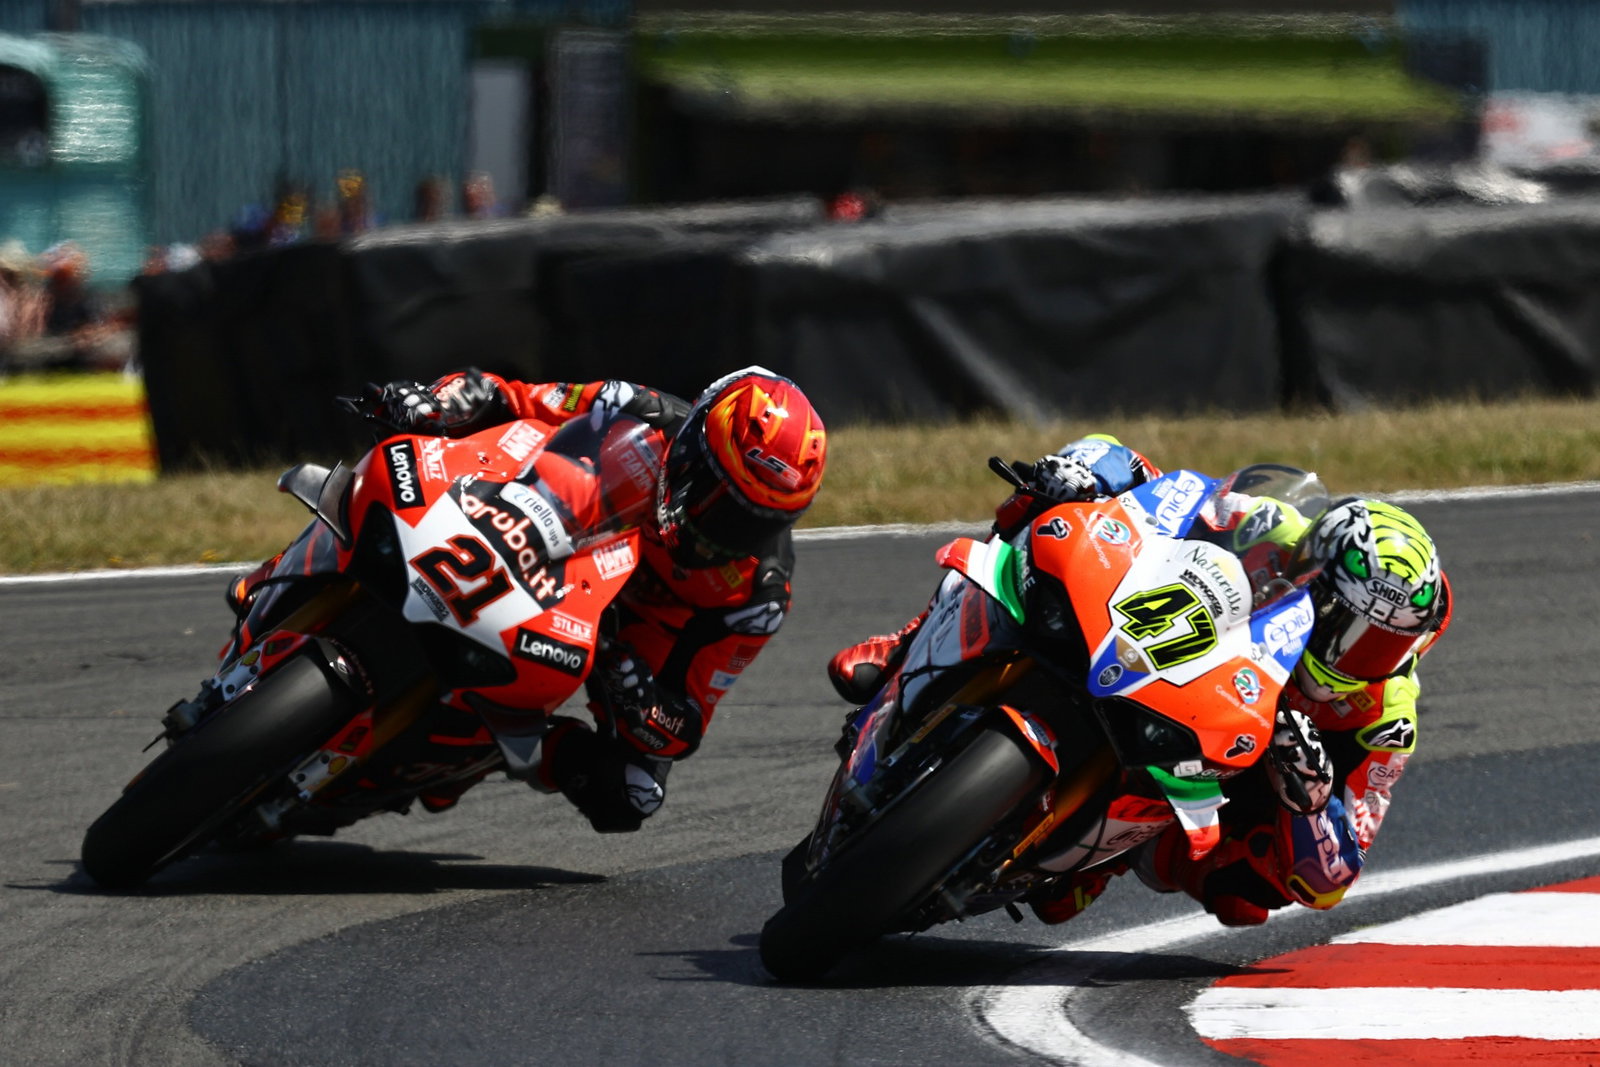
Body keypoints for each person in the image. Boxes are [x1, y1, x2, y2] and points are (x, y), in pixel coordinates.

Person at [826, 434, 1451, 928]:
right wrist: (1087, 477)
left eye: (1381, 644)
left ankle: (1114, 849)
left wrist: (1310, 801)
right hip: (1180, 644)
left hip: (1234, 754)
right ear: (1314, 568)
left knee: (1249, 898)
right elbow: (1179, 493)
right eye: (1345, 625)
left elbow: (1332, 877)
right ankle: (907, 640)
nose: (1354, 655)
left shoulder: (1385, 719)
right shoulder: (1274, 527)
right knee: (1077, 475)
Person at [233, 366, 827, 835]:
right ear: (693, 445)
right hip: (532, 535)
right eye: (716, 499)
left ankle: (478, 749)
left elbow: (687, 718)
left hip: (620, 640)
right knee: (395, 465)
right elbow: (509, 397)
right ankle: (288, 578)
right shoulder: (630, 407)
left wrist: (642, 703)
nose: (719, 530)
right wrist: (433, 402)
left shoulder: (756, 596)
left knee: (629, 794)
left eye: (751, 522)